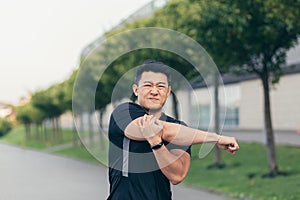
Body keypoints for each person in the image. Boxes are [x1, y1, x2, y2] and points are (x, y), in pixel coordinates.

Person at [107, 60, 239, 200]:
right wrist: (216, 138)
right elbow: (161, 129)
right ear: (136, 89)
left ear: (168, 91)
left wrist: (156, 143)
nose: (154, 91)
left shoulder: (180, 128)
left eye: (160, 86)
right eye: (147, 85)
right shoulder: (123, 113)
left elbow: (177, 175)